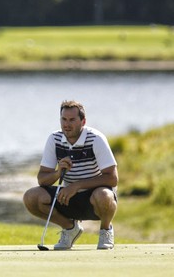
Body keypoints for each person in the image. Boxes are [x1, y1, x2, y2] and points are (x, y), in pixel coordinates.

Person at [23, 100, 118, 250]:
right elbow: (42, 179)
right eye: (64, 119)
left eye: (72, 120)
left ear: (83, 121)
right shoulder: (54, 139)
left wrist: (77, 185)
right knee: (31, 197)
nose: (67, 124)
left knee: (105, 195)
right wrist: (58, 172)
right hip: (67, 198)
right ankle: (70, 228)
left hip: (94, 199)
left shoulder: (96, 139)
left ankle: (106, 230)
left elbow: (112, 178)